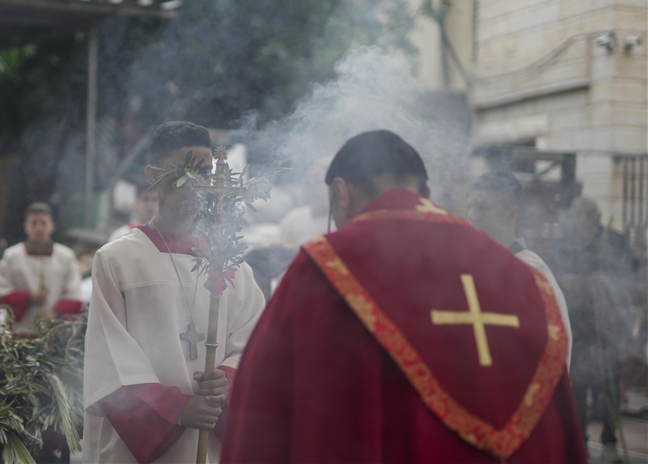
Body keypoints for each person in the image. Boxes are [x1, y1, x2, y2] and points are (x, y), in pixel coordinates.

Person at [221, 130, 586, 464]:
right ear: (424, 194)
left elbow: (261, 417)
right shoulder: (524, 281)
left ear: (341, 193)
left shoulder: (324, 269)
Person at [83, 121, 265, 464]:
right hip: (142, 447)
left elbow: (258, 344)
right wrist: (178, 410)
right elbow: (110, 362)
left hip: (210, 444)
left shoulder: (232, 265)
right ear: (153, 174)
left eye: (206, 171)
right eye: (185, 170)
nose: (196, 183)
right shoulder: (117, 260)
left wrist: (227, 381)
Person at [552, 197, 639, 463]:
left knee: (609, 384)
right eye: (579, 213)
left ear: (598, 214)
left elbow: (632, 275)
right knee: (577, 384)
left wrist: (610, 282)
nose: (583, 218)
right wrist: (564, 280)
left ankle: (610, 443)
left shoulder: (613, 240)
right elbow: (550, 273)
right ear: (573, 216)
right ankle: (580, 443)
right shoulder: (563, 242)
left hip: (606, 325)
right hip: (576, 324)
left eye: (589, 213)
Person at [467, 171, 572, 367]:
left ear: (512, 214)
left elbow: (556, 348)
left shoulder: (532, 272)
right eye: (470, 206)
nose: (472, 216)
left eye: (483, 207)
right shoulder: (466, 268)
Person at [0, 202, 85, 334]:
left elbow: (75, 295)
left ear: (51, 226)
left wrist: (54, 313)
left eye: (43, 223)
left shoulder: (66, 257)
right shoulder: (12, 256)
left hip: (55, 333)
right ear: (26, 226)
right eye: (34, 223)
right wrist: (28, 298)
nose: (39, 228)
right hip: (20, 332)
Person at [277, 160, 329, 245]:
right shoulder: (292, 221)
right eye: (309, 185)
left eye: (318, 184)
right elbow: (279, 252)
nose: (312, 191)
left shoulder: (344, 221)